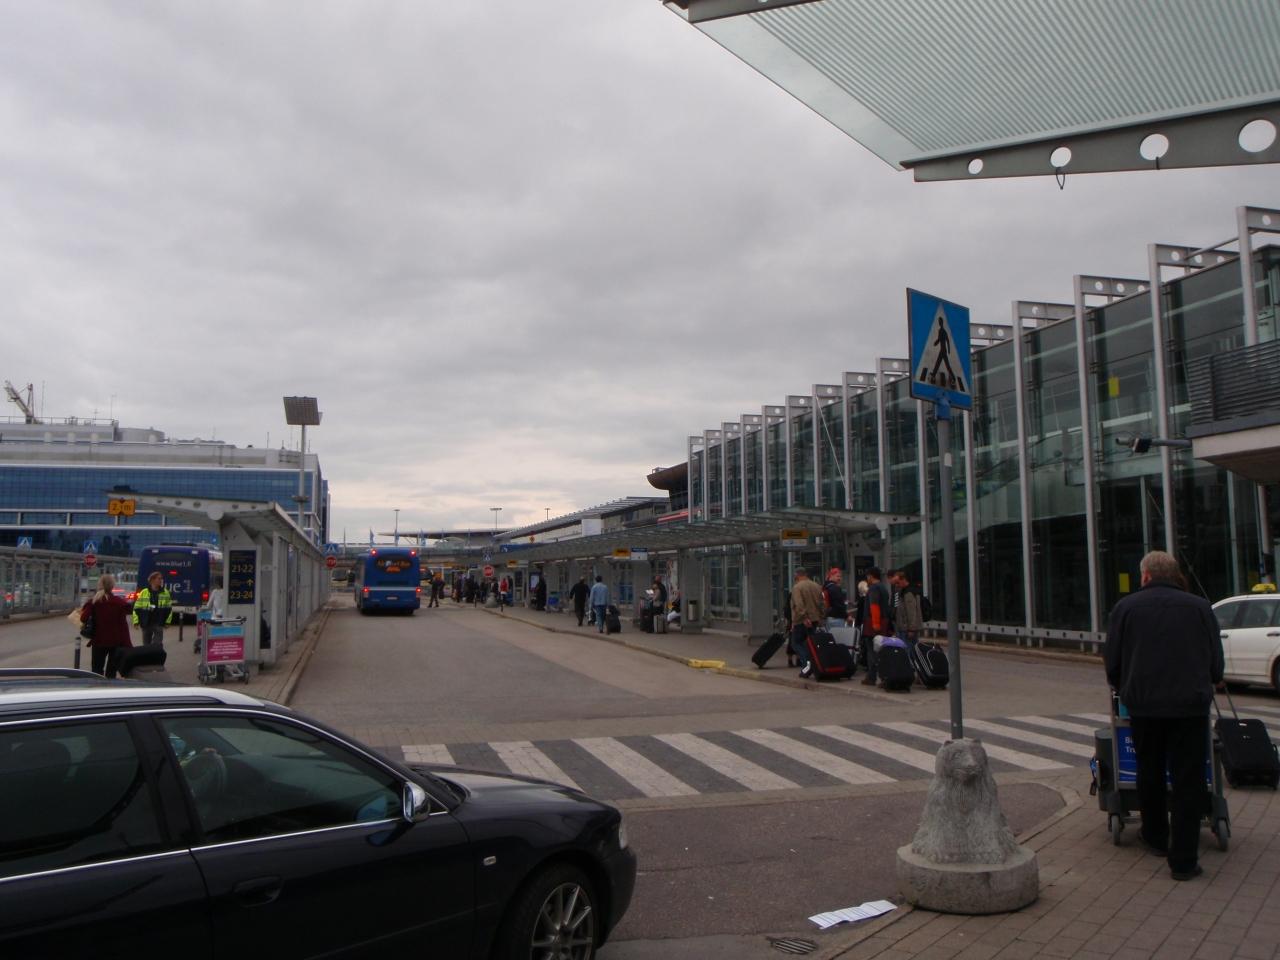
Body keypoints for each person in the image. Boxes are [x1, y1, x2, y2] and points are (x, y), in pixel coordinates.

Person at [1104, 550, 1223, 882]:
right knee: (1188, 778)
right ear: (1174, 575)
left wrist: (1124, 687)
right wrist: (1209, 679)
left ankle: (1156, 837)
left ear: (1145, 576)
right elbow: (1215, 662)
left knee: (1149, 771)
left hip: (1144, 707)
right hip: (1190, 707)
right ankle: (1184, 860)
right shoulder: (1200, 607)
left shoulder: (1125, 608)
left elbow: (1113, 661)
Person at [80, 573, 133, 678]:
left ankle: (97, 687)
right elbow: (128, 613)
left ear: (99, 585)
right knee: (111, 671)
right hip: (116, 641)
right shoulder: (119, 602)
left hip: (99, 641)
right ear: (112, 586)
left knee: (96, 670)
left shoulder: (94, 602)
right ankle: (109, 686)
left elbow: (83, 618)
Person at [789, 568, 825, 678]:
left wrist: (804, 617)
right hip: (814, 620)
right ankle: (812, 665)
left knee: (796, 643)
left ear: (797, 575)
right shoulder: (816, 586)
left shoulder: (797, 587)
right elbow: (821, 603)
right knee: (810, 644)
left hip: (802, 620)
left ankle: (807, 666)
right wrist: (821, 617)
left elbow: (799, 604)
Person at [861, 567, 891, 686]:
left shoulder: (873, 588)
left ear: (871, 576)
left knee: (872, 651)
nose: (867, 579)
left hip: (873, 623)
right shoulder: (883, 587)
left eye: (867, 576)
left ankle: (878, 677)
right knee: (879, 650)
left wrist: (875, 623)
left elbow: (874, 606)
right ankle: (874, 676)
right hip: (884, 622)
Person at [131, 571, 173, 647]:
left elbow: (169, 609)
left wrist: (167, 622)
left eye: (161, 579)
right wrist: (136, 622)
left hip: (159, 622)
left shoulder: (165, 592)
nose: (161, 580)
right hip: (146, 622)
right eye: (159, 579)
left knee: (157, 644)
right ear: (152, 580)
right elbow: (136, 608)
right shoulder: (144, 592)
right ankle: (148, 654)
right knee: (146, 645)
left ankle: (155, 654)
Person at [891, 570, 924, 644]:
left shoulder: (908, 593)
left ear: (904, 580)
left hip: (906, 628)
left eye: (898, 582)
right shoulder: (904, 591)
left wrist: (911, 629)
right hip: (904, 627)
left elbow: (911, 612)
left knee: (908, 647)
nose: (896, 585)